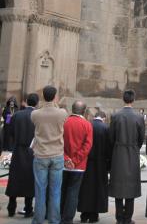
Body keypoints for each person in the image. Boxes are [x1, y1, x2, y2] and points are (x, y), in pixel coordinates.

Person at [31, 85, 68, 224]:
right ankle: (54, 220)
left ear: (43, 96)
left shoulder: (35, 114)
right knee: (55, 191)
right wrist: (54, 103)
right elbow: (61, 115)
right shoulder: (62, 112)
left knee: (40, 191)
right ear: (55, 97)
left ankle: (38, 220)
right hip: (57, 154)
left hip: (41, 155)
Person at [109, 89, 145, 224]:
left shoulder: (116, 116)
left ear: (123, 99)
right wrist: (134, 147)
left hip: (118, 153)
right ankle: (128, 218)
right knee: (131, 187)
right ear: (133, 100)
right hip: (132, 153)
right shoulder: (139, 117)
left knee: (118, 188)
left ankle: (119, 218)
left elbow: (111, 137)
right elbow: (141, 138)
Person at [6, 93, 39, 218]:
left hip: (18, 149)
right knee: (29, 180)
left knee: (14, 179)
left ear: (26, 101)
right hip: (32, 150)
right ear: (36, 103)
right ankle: (28, 208)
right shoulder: (37, 116)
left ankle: (11, 207)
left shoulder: (17, 115)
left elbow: (10, 131)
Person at [61, 101, 93, 224]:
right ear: (84, 111)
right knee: (73, 192)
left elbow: (59, 142)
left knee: (62, 191)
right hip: (78, 166)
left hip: (64, 164)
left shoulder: (64, 122)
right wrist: (75, 161)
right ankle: (68, 219)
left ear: (72, 109)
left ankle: (60, 216)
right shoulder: (87, 124)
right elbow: (87, 146)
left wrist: (66, 159)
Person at [78, 111, 111, 223]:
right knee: (98, 188)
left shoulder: (87, 125)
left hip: (86, 161)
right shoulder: (106, 128)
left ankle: (84, 214)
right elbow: (108, 148)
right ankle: (94, 215)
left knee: (85, 188)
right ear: (104, 118)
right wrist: (109, 164)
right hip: (101, 163)